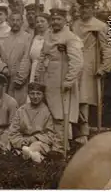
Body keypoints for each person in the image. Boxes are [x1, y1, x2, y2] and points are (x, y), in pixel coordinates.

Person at [35, 8, 83, 154]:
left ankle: (61, 148)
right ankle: (51, 145)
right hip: (48, 79)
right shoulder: (48, 35)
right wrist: (38, 74)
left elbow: (77, 62)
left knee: (61, 114)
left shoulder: (70, 37)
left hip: (62, 80)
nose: (55, 22)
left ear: (65, 20)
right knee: (49, 112)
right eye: (53, 19)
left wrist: (68, 81)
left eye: (59, 19)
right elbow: (42, 55)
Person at [71, 0, 111, 144]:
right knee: (74, 98)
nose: (85, 10)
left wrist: (103, 68)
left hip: (90, 66)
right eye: (82, 7)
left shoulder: (103, 26)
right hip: (75, 64)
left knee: (84, 99)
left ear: (93, 8)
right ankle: (74, 131)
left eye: (88, 7)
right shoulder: (74, 25)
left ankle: (84, 133)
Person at [8, 82, 57, 163]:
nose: (35, 97)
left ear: (43, 95)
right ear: (28, 94)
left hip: (39, 142)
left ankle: (26, 155)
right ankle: (32, 156)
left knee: (36, 146)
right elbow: (13, 131)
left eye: (38, 94)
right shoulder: (21, 110)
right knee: (9, 143)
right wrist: (22, 142)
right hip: (22, 141)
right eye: (32, 94)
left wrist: (34, 139)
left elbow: (50, 134)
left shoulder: (47, 111)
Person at [0, 12, 31, 106]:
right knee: (4, 104)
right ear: (8, 22)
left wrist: (20, 77)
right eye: (13, 20)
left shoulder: (27, 38)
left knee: (19, 104)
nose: (15, 23)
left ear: (22, 22)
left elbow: (27, 58)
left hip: (20, 78)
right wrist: (2, 68)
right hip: (5, 77)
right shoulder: (2, 38)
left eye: (18, 20)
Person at [29, 13, 50, 82]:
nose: (39, 24)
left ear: (48, 23)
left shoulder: (51, 37)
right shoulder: (35, 37)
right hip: (34, 68)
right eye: (37, 22)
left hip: (46, 70)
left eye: (42, 21)